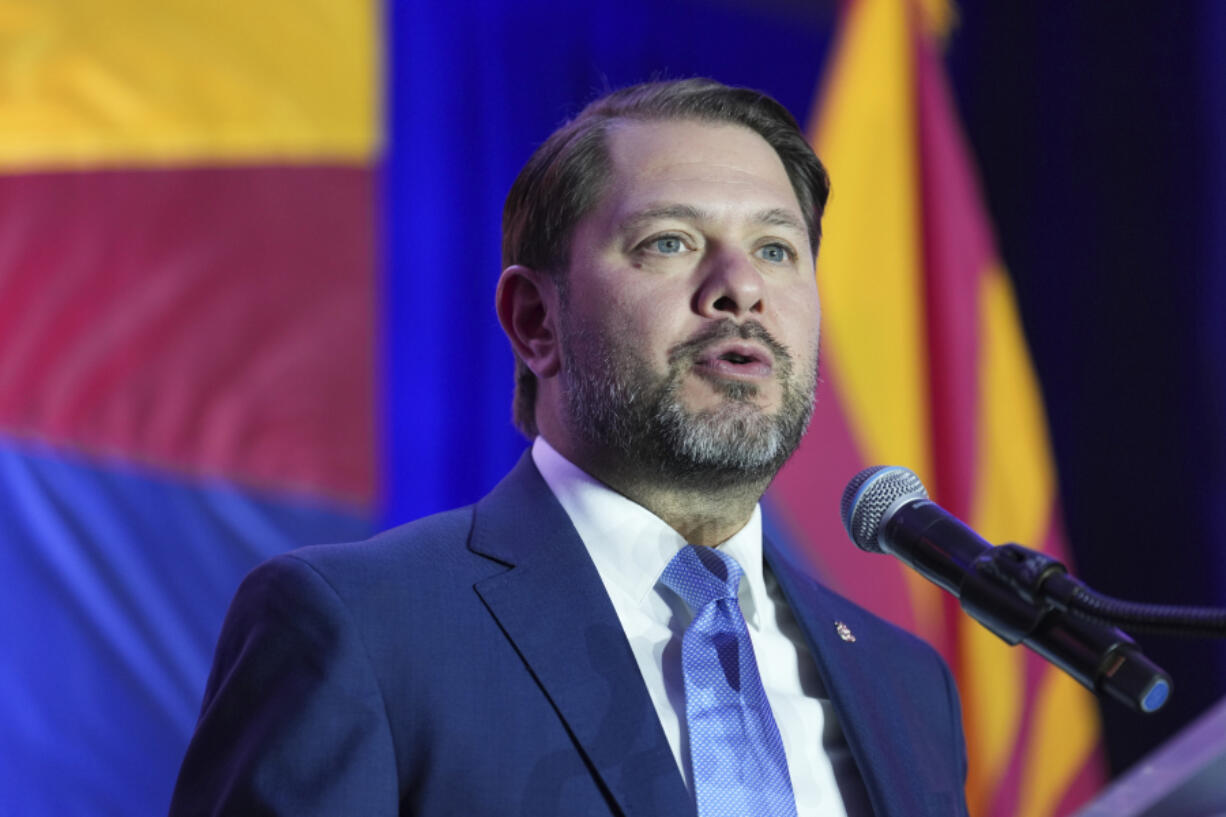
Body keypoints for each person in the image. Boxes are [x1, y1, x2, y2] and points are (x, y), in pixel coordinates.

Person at [169, 79, 969, 817]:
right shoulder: (362, 629)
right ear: (535, 322)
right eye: (669, 241)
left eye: (775, 249)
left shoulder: (903, 683)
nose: (741, 286)